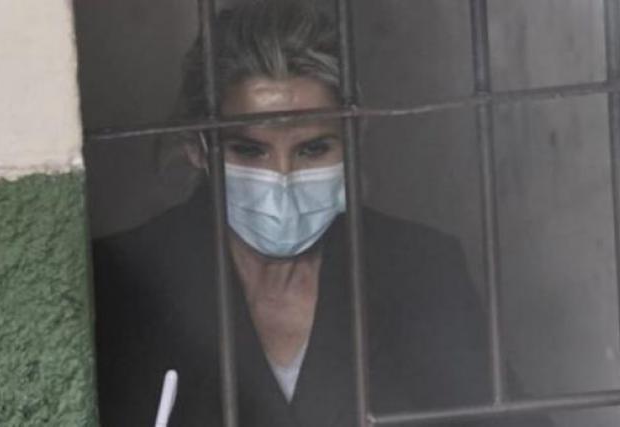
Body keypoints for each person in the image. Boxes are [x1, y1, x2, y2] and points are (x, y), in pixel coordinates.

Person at [92, 1, 553, 426]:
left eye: (313, 149)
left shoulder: (419, 270)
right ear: (198, 148)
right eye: (249, 150)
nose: (283, 176)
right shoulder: (124, 281)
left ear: (354, 138)